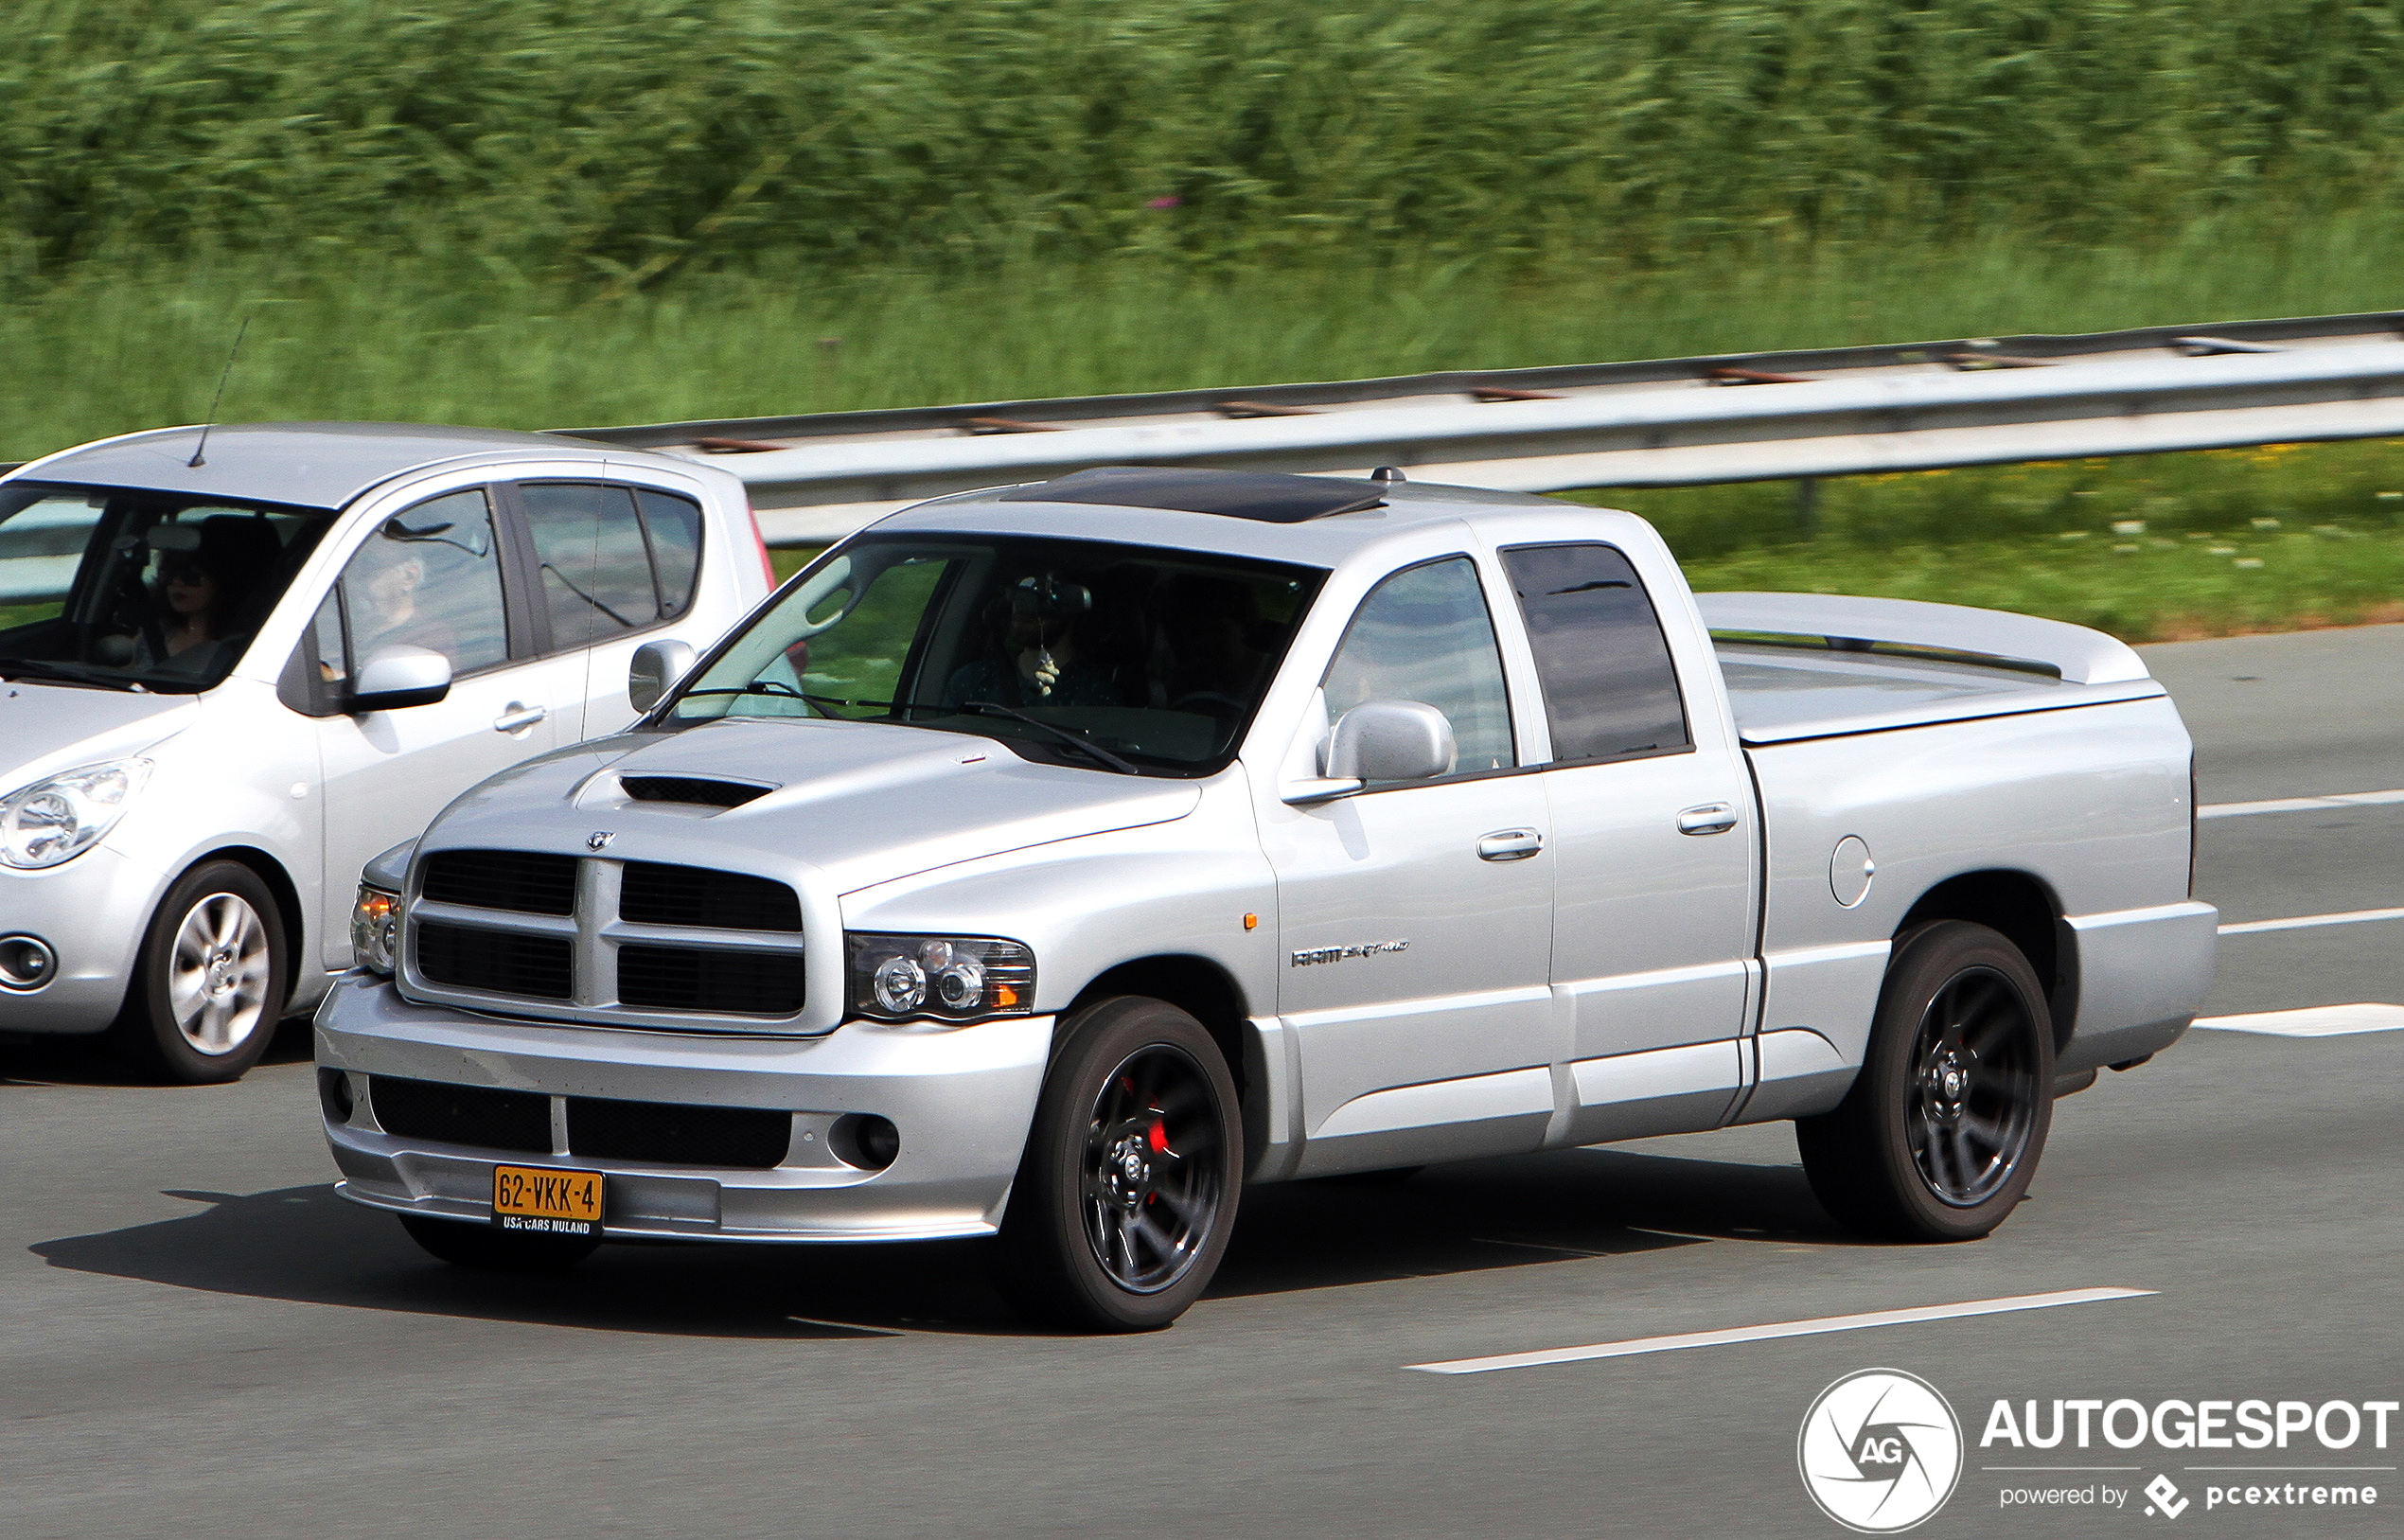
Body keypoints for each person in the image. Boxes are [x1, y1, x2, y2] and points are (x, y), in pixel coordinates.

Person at [943, 573, 1116, 708]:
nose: (1021, 605)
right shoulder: (972, 681)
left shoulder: (1095, 695)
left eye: (1039, 595)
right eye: (1018, 592)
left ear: (1073, 602)